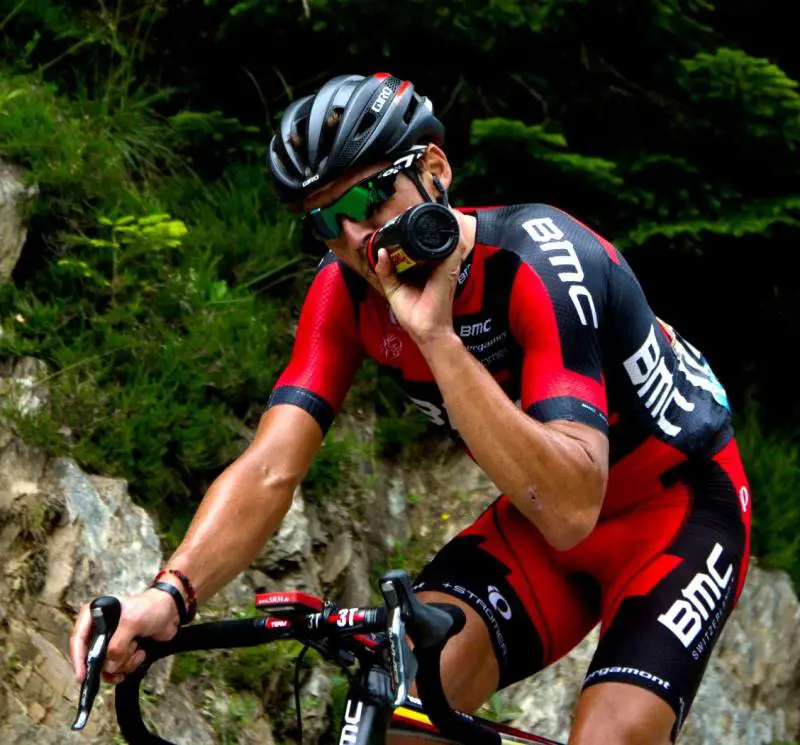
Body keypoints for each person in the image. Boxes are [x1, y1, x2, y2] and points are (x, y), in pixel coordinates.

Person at [70, 72, 753, 745]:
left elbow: (573, 506)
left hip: (675, 512)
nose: (354, 239)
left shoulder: (542, 259)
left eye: (368, 198)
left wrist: (437, 338)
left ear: (434, 169)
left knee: (611, 736)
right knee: (404, 711)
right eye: (324, 222)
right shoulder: (344, 294)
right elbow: (271, 468)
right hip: (537, 522)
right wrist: (170, 593)